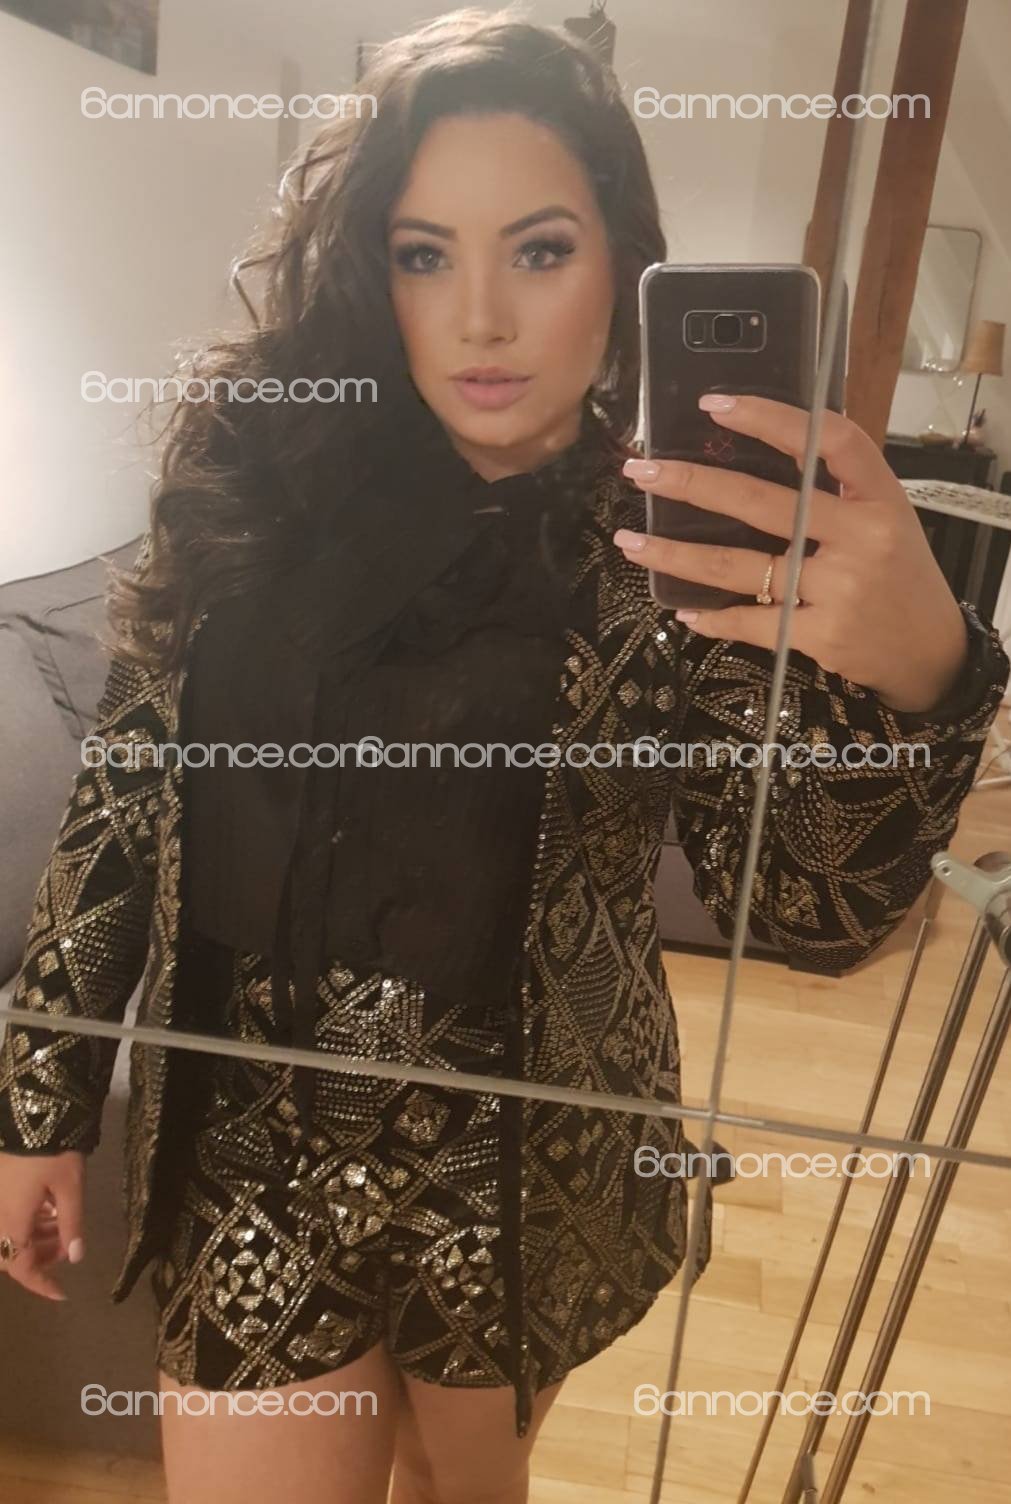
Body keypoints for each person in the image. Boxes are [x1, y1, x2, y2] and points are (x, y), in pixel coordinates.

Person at [0, 11, 1007, 1504]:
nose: (480, 318)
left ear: (623, 264)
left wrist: (923, 675)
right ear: (372, 269)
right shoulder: (254, 474)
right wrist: (43, 1093)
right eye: (425, 253)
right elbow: (127, 790)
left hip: (534, 1161)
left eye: (539, 251)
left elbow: (807, 914)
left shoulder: (679, 538)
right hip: (254, 1143)